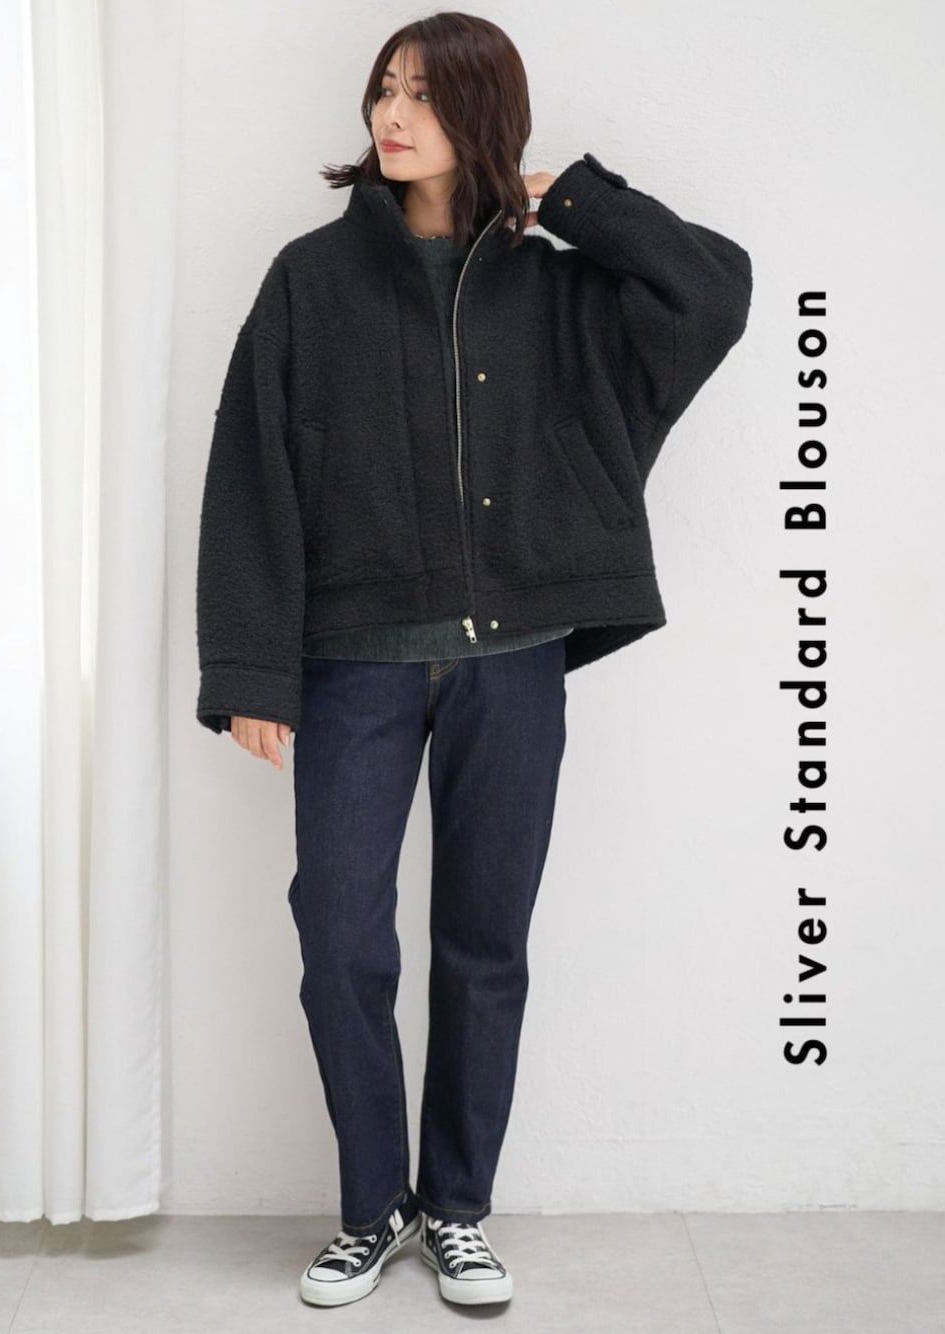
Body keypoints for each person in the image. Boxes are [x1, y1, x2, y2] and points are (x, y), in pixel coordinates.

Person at [195, 10, 753, 1311]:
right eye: (385, 90)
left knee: (484, 941)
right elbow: (250, 476)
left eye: (428, 97)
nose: (393, 117)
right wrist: (253, 673)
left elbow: (713, 292)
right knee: (341, 937)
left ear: (484, 118)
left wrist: (585, 204)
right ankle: (372, 1208)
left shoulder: (556, 287)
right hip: (354, 660)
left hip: (516, 659)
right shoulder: (310, 281)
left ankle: (456, 1209)